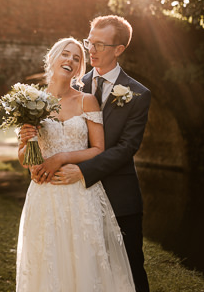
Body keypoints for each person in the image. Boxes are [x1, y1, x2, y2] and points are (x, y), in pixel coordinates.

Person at [16, 37, 135, 292]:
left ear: (80, 68)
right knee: (47, 262)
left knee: (84, 263)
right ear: (53, 58)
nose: (70, 60)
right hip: (44, 195)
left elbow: (98, 149)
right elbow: (26, 158)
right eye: (65, 54)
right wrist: (26, 144)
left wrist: (61, 158)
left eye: (77, 58)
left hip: (80, 193)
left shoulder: (86, 101)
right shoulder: (30, 101)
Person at [54, 15, 151, 292]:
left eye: (100, 44)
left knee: (129, 271)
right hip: (78, 201)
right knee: (88, 271)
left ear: (119, 49)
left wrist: (82, 172)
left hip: (121, 199)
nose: (91, 50)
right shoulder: (75, 85)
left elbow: (127, 148)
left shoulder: (138, 94)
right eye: (90, 42)